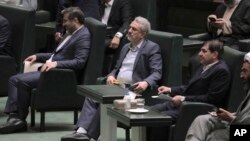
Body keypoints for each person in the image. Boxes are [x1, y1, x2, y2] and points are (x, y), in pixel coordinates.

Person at [61, 16, 162, 141]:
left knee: (106, 101)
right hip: (117, 85)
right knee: (93, 96)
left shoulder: (152, 48)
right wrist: (111, 75)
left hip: (132, 90)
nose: (129, 31)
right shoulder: (125, 47)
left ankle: (89, 136)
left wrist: (146, 82)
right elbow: (116, 68)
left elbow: (157, 73)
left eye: (134, 29)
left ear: (143, 34)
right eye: (129, 27)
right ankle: (81, 132)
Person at [0, 7, 91, 134]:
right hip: (51, 71)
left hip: (61, 76)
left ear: (75, 20)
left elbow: (79, 62)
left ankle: (17, 119)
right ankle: (15, 118)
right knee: (15, 79)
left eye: (65, 21)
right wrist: (38, 56)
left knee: (17, 80)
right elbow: (56, 54)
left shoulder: (83, 36)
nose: (63, 24)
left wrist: (56, 64)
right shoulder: (70, 33)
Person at [151, 40, 231, 121]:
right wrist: (170, 90)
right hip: (184, 104)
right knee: (150, 111)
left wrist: (183, 99)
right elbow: (189, 87)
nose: (199, 54)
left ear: (214, 54)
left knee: (158, 118)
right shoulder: (204, 64)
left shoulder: (221, 71)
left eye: (204, 51)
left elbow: (211, 99)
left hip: (198, 109)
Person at [185, 52, 250, 141]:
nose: (241, 75)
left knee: (216, 136)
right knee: (202, 121)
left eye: (245, 71)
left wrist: (231, 118)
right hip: (236, 122)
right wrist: (230, 115)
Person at [100, 0, 133, 75]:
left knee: (98, 45)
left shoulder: (123, 3)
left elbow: (127, 22)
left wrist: (118, 35)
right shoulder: (100, 3)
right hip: (99, 33)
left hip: (111, 36)